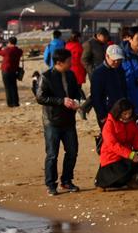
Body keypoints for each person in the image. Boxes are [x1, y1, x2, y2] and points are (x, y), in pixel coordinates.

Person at [36, 48, 83, 196]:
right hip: (52, 121)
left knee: (72, 151)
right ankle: (51, 184)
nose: (71, 63)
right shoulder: (46, 76)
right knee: (52, 154)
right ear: (59, 62)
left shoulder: (70, 74)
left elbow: (76, 92)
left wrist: (77, 102)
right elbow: (40, 97)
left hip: (69, 120)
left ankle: (67, 180)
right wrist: (61, 101)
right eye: (69, 61)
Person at [95, 98, 138, 189]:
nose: (127, 116)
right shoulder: (109, 124)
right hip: (112, 159)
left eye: (129, 113)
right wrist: (130, 155)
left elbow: (136, 143)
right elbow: (113, 145)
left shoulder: (132, 123)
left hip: (127, 157)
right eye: (125, 114)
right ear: (118, 112)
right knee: (123, 173)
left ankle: (131, 179)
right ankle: (105, 182)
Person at [91, 45, 129, 128]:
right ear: (107, 56)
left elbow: (124, 89)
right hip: (107, 113)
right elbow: (96, 97)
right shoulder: (98, 73)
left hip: (121, 111)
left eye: (119, 60)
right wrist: (102, 115)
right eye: (114, 60)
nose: (116, 62)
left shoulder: (120, 69)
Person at [0, 37, 23, 107]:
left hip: (6, 70)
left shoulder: (7, 50)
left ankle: (10, 103)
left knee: (8, 88)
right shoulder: (19, 51)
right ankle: (16, 102)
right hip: (14, 70)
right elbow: (20, 51)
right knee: (14, 87)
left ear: (9, 43)